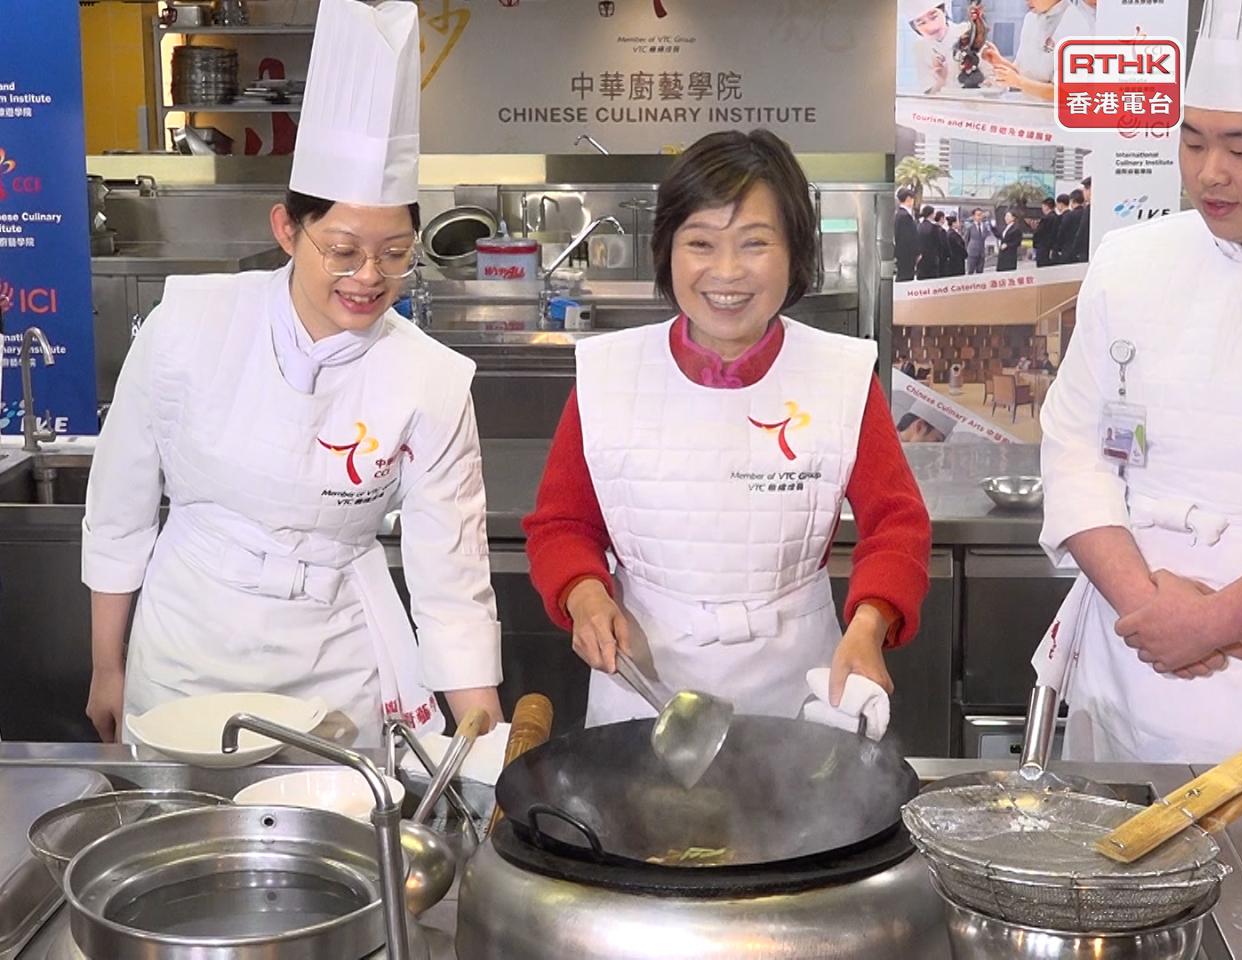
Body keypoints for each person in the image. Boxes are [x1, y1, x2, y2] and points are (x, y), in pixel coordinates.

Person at [81, 0, 503, 747]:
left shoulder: (428, 378)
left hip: (338, 668)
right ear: (287, 229)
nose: (369, 277)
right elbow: (121, 507)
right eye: (342, 249)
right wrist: (105, 667)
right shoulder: (189, 323)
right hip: (186, 652)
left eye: (396, 252)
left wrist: (482, 729)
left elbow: (452, 576)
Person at [524, 129, 932, 729]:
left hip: (800, 682)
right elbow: (561, 525)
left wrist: (870, 624)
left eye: (754, 243)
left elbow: (897, 525)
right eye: (701, 243)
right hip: (643, 679)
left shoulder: (841, 376)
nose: (727, 271)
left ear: (795, 251)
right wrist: (585, 596)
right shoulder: (609, 374)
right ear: (668, 252)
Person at [1037, 0, 1242, 763]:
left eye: (1241, 147)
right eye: (1193, 140)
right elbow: (1073, 444)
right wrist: (1146, 607)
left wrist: (1214, 622)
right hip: (1129, 655)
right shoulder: (1130, 259)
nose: (1210, 172)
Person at [980, 0, 1093, 102]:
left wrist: (1019, 82)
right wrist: (1000, 62)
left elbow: (1066, 93)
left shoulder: (1077, 24)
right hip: (1029, 114)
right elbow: (1024, 72)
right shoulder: (1031, 19)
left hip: (1056, 119)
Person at [906, 0, 975, 94]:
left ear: (944, 11)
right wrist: (941, 79)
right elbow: (928, 94)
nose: (931, 26)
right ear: (915, 29)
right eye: (921, 23)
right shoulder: (920, 48)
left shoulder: (967, 32)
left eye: (934, 17)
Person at [894, 186, 920, 281]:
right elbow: (908, 238)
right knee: (905, 278)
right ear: (909, 199)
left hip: (903, 254)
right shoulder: (905, 216)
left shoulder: (900, 214)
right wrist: (916, 253)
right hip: (907, 255)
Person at [1053, 189, 1085, 264]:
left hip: (1067, 251)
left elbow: (1061, 233)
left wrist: (1056, 249)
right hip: (1082, 252)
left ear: (1072, 201)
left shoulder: (1069, 215)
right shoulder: (1087, 213)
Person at [916, 204, 945, 279]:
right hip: (932, 259)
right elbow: (939, 244)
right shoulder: (934, 227)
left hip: (921, 258)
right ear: (931, 214)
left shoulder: (919, 226)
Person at [1067, 176, 1092, 263]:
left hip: (1084, 252)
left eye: (1085, 189)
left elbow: (1082, 232)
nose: (1083, 193)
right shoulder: (1088, 208)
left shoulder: (1090, 209)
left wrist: (1074, 250)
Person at [962, 208, 995, 273]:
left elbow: (987, 236)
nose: (980, 217)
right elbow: (966, 239)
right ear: (974, 216)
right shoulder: (970, 227)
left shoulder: (985, 226)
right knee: (970, 271)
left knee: (980, 272)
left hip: (981, 253)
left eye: (981, 215)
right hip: (972, 253)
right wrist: (966, 251)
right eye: (978, 215)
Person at [1032, 197, 1059, 267]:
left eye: (1043, 206)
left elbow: (1039, 233)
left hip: (1043, 248)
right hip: (1052, 248)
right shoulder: (1057, 217)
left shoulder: (1046, 219)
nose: (1042, 209)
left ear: (1047, 207)